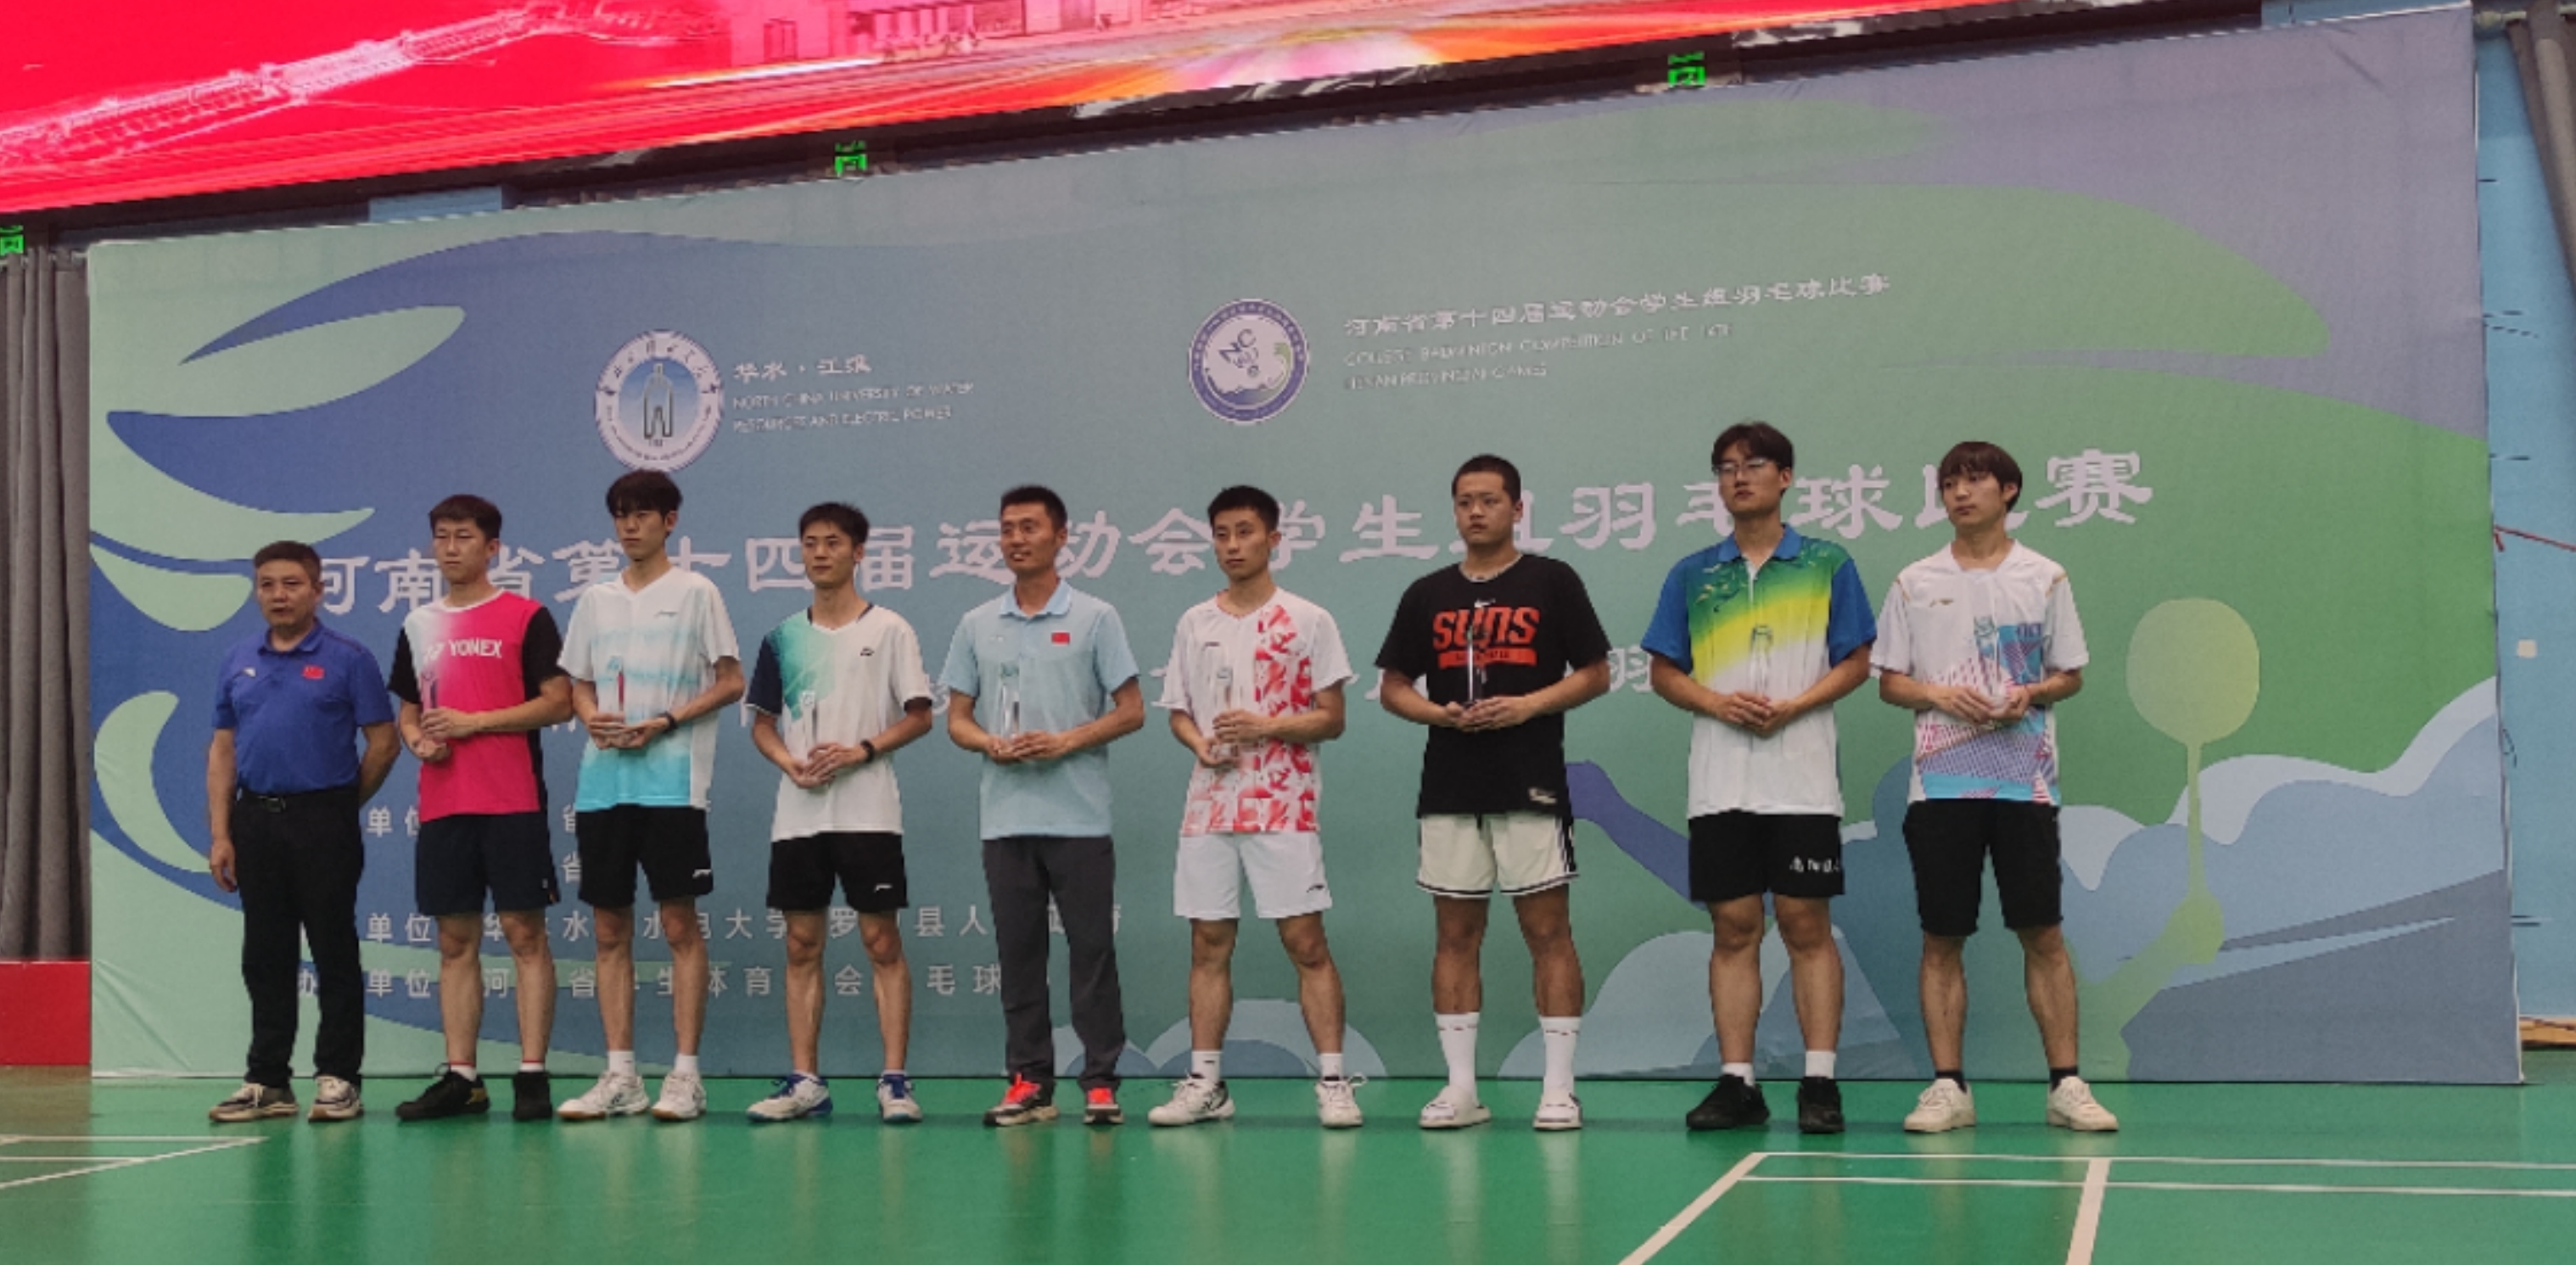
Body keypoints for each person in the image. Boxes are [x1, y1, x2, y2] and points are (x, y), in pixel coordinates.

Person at [1874, 440, 2118, 1133]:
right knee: (1941, 935)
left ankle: (2066, 1084)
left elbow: (2070, 673)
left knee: (2043, 931)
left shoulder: (2044, 576)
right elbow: (1891, 681)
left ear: (2008, 490)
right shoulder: (1914, 580)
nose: (1959, 493)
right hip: (1941, 786)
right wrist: (1939, 694)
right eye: (1949, 482)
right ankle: (1948, 1086)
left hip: (2025, 786)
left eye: (1975, 480)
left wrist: (2032, 694)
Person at [1641, 423, 1874, 1134]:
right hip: (1720, 782)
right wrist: (1716, 702)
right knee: (1734, 925)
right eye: (1725, 467)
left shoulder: (1826, 563)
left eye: (1753, 464)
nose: (1738, 477)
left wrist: (1798, 704)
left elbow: (1857, 660)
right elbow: (1663, 671)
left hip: (1802, 777)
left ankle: (1820, 1081)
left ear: (1786, 477)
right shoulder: (1693, 574)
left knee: (1806, 924)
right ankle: (1738, 1082)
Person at [1376, 455, 1610, 1132]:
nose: (1475, 511)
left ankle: (1559, 1088)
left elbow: (1596, 672)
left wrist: (1527, 705)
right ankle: (1460, 1089)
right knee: (1455, 934)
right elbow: (1393, 687)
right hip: (1450, 784)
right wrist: (1439, 713)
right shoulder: (1427, 593)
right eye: (1464, 501)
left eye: (1489, 500)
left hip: (1529, 777)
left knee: (1548, 930)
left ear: (1517, 507)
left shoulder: (1552, 580)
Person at [1146, 485, 1364, 1129]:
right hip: (1209, 809)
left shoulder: (1308, 619)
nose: (1232, 545)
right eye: (1221, 534)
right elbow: (1179, 713)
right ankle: (1206, 1083)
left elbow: (1333, 718)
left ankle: (1333, 1080)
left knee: (1305, 941)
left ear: (1274, 539)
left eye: (1244, 532)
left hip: (1284, 804)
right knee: (1208, 942)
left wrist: (1266, 725)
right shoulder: (1195, 622)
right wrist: (1200, 744)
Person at [939, 485, 1145, 1128]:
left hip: (1080, 818)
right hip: (1005, 820)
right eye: (1007, 529)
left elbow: (1131, 711)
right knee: (1018, 955)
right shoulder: (977, 623)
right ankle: (1029, 1080)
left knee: (1092, 952)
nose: (1016, 539)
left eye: (1030, 527)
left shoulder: (1096, 617)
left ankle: (1101, 1082)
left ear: (1061, 536)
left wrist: (1066, 741)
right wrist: (989, 743)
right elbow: (957, 718)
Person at [555, 471, 744, 1122]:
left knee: (677, 924)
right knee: (609, 927)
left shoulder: (696, 592)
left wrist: (666, 720)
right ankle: (621, 1074)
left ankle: (685, 1075)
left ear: (670, 520)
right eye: (621, 514)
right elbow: (577, 683)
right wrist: (592, 719)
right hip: (603, 784)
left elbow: (732, 681)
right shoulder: (595, 599)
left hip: (672, 782)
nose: (630, 525)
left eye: (642, 514)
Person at [742, 503, 936, 1124]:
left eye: (832, 542)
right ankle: (806, 1081)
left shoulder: (891, 629)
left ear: (859, 552)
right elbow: (762, 724)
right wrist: (788, 763)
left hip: (868, 811)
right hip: (799, 815)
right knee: (802, 943)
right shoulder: (781, 638)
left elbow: (920, 714)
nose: (820, 553)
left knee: (881, 941)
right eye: (810, 543)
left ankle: (895, 1080)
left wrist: (861, 751)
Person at [385, 495, 574, 1122]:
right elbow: (408, 712)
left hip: (512, 798)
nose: (450, 547)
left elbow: (558, 701)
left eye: (463, 536)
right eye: (441, 536)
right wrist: (418, 741)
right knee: (454, 939)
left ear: (492, 548)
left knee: (524, 933)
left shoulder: (526, 616)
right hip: (445, 805)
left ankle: (532, 1072)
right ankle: (462, 1076)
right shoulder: (418, 624)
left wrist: (475, 723)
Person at [204, 540, 398, 1123]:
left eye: (292, 584)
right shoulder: (238, 658)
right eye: (267, 584)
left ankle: (339, 1078)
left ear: (318, 590)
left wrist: (340, 803)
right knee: (265, 953)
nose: (279, 595)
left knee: (333, 948)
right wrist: (222, 833)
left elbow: (383, 742)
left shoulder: (349, 658)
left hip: (323, 819)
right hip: (255, 819)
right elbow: (223, 748)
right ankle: (268, 1079)